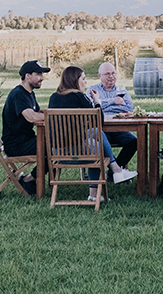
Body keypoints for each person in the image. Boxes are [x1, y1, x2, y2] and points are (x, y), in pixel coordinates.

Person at [47, 66, 138, 200]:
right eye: (83, 79)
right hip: (77, 151)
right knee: (97, 146)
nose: (85, 82)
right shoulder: (79, 97)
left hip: (57, 152)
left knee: (96, 134)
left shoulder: (53, 97)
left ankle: (114, 171)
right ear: (74, 81)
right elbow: (99, 121)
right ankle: (103, 184)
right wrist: (97, 101)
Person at [2, 60, 48, 196]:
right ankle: (30, 179)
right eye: (39, 74)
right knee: (54, 147)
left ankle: (31, 179)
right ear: (28, 76)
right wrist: (51, 116)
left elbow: (38, 114)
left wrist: (52, 112)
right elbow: (31, 117)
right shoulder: (19, 94)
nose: (42, 78)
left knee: (53, 144)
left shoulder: (29, 93)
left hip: (25, 140)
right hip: (16, 145)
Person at [88, 62, 138, 169]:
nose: (111, 77)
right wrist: (113, 101)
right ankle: (117, 171)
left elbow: (128, 107)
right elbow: (91, 106)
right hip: (100, 129)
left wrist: (102, 104)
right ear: (99, 76)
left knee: (134, 141)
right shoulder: (93, 90)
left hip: (119, 128)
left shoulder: (121, 90)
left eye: (113, 73)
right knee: (100, 143)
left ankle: (114, 170)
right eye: (107, 74)